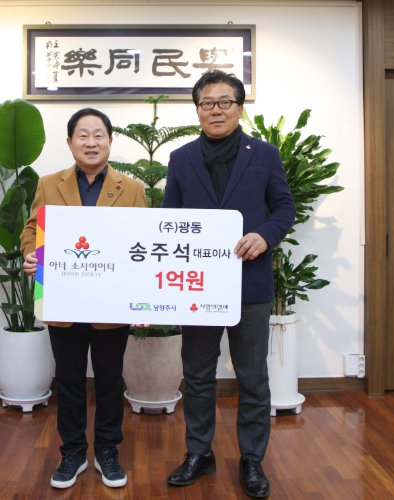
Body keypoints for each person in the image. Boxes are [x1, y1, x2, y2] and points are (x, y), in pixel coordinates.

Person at [162, 71, 295, 498]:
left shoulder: (265, 155)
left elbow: (284, 208)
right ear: (197, 110)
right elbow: (169, 220)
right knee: (198, 374)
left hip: (249, 285)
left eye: (224, 102)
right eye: (207, 103)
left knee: (253, 376)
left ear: (239, 107)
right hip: (197, 287)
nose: (215, 110)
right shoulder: (181, 158)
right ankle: (199, 453)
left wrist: (265, 235)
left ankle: (252, 459)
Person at [20, 108, 147, 490]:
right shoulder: (48, 184)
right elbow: (32, 229)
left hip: (111, 303)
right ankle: (72, 452)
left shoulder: (132, 188)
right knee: (69, 380)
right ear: (70, 142)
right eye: (83, 135)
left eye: (98, 135)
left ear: (110, 140)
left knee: (110, 380)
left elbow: (143, 245)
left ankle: (108, 451)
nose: (91, 143)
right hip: (63, 300)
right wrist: (31, 253)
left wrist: (142, 299)